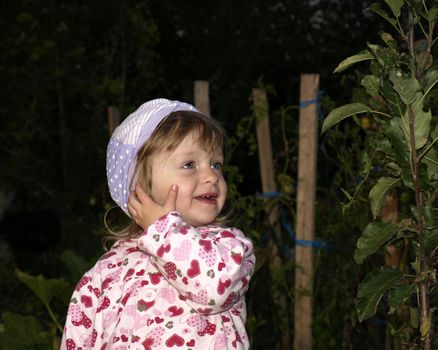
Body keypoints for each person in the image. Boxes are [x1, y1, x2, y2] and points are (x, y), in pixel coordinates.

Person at [61, 98, 256, 350]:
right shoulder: (107, 271)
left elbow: (214, 290)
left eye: (216, 164)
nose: (211, 176)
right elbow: (79, 339)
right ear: (138, 187)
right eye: (189, 165)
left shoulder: (228, 247)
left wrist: (163, 229)